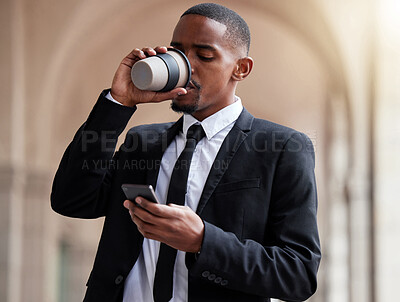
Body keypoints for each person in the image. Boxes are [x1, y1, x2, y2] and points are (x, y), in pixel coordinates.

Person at [51, 3, 321, 302]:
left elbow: (298, 274)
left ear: (241, 68)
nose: (187, 65)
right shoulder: (142, 142)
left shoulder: (283, 148)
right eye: (177, 51)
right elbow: (71, 200)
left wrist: (203, 241)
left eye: (204, 55)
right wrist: (118, 103)